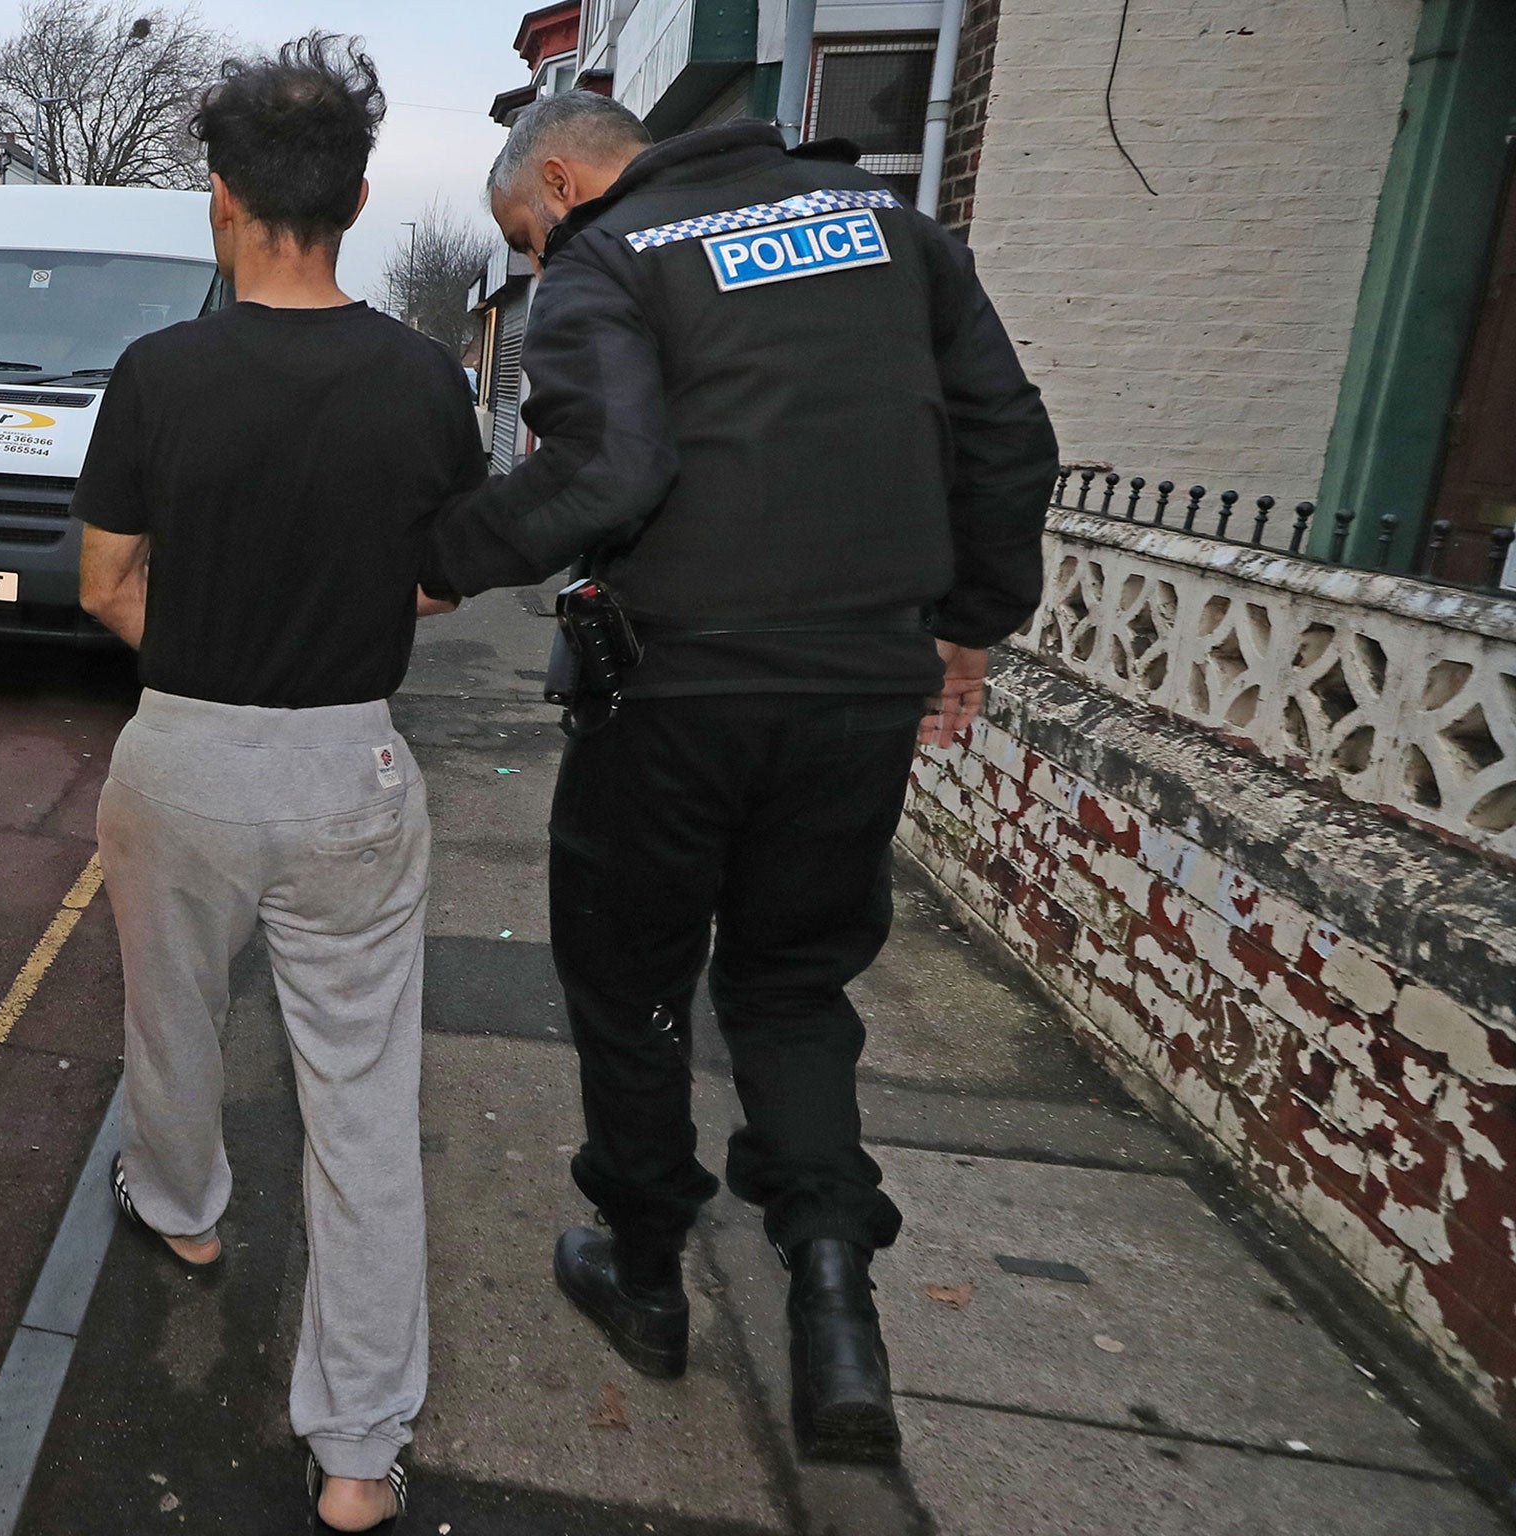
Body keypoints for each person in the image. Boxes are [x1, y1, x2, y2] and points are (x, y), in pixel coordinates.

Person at [419, 92, 1059, 1465]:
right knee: (791, 984)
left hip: (679, 689)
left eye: (526, 236)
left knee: (633, 974)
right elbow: (1007, 436)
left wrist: (438, 560)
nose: (534, 267)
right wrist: (969, 625)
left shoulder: (614, 258)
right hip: (854, 694)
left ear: (561, 177)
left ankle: (645, 1270)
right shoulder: (894, 229)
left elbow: (606, 468)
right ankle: (835, 1304)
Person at [73, 35, 481, 1534]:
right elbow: (441, 582)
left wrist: (199, 641)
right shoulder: (429, 379)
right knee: (363, 1105)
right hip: (349, 761)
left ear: (221, 200)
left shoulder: (158, 374)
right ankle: (360, 1455)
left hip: (183, 745)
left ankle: (181, 1217)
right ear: (363, 196)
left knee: (168, 1013)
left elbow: (108, 580)